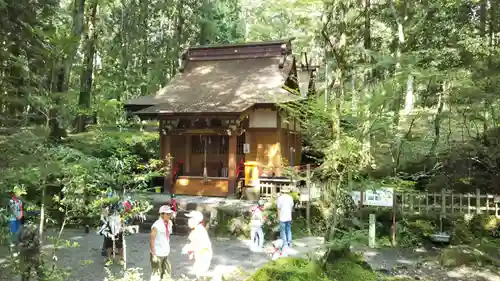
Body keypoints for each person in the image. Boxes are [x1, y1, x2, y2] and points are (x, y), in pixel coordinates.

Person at [181, 211, 212, 281]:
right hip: (200, 255)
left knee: (199, 274)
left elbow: (198, 244)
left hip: (203, 256)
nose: (188, 221)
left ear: (195, 220)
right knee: (199, 274)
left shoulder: (199, 231)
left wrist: (188, 248)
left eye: (190, 218)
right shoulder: (196, 229)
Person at [150, 205, 173, 281]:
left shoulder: (169, 223)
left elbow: (168, 236)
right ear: (162, 214)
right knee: (156, 275)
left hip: (165, 252)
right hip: (158, 253)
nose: (169, 215)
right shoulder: (157, 225)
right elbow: (152, 239)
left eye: (170, 214)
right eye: (167, 214)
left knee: (167, 274)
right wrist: (153, 253)